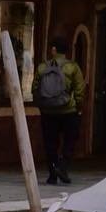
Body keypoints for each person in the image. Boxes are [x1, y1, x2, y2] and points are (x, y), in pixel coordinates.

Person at [33, 36, 86, 186]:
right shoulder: (73, 67)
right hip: (69, 111)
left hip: (48, 112)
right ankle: (62, 167)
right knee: (69, 141)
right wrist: (78, 107)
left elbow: (34, 89)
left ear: (54, 49)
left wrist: (42, 105)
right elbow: (80, 90)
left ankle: (52, 175)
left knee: (50, 144)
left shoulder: (43, 67)